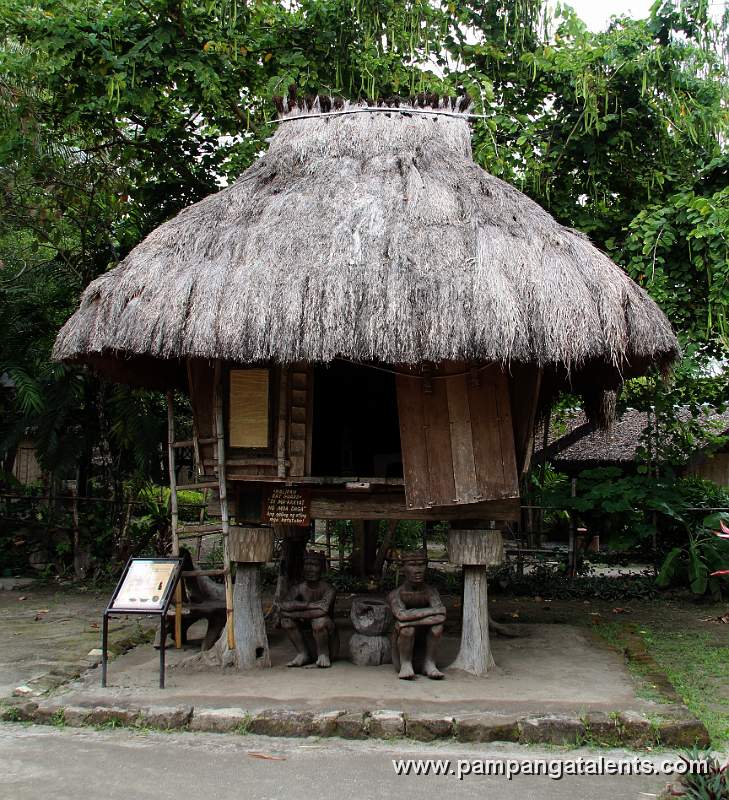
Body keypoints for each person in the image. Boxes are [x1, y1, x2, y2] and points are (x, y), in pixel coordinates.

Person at [387, 550, 446, 680]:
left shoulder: (431, 592)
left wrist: (408, 619)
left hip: (425, 643)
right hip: (403, 649)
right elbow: (400, 616)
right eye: (412, 565)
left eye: (421, 565)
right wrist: (432, 612)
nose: (417, 570)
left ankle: (429, 663)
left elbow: (441, 616)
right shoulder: (396, 594)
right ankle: (406, 665)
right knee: (407, 630)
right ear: (403, 568)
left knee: (437, 628)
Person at [280, 551, 337, 668]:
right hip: (306, 633)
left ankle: (323, 655)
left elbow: (322, 611)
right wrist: (309, 605)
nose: (310, 569)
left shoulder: (328, 589)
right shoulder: (298, 588)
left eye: (315, 565)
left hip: (327, 638)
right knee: (285, 621)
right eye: (307, 565)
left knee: (319, 621)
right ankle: (302, 653)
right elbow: (284, 605)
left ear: (322, 568)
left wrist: (294, 612)